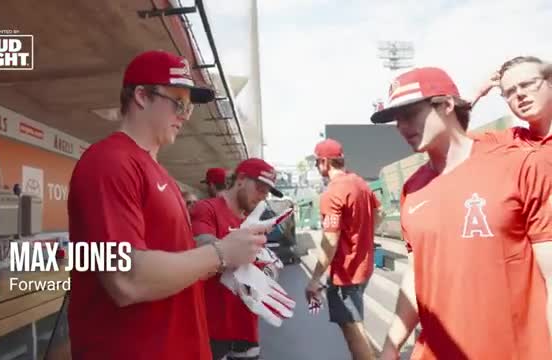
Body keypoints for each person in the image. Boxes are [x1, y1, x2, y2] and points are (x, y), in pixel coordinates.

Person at [66, 50, 270, 360]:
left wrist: (233, 261)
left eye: (189, 106)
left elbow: (177, 262)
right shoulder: (110, 161)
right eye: (178, 103)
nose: (186, 115)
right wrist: (221, 253)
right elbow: (126, 279)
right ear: (141, 96)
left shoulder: (158, 173)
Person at [370, 67, 552, 359]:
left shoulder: (517, 163)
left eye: (409, 114)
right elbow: (417, 274)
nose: (401, 127)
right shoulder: (412, 189)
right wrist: (392, 345)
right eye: (396, 120)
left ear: (446, 105)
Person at [190, 158, 283, 360]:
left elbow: (261, 265)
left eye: (267, 192)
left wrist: (268, 270)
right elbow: (202, 250)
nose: (263, 196)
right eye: (260, 188)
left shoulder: (252, 221)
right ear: (240, 179)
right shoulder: (206, 209)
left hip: (246, 328)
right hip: (213, 329)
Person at [304, 138, 384, 360]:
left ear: (324, 162)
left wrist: (314, 279)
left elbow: (330, 240)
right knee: (356, 324)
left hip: (345, 274)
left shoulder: (332, 193)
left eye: (317, 163)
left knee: (352, 332)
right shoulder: (360, 183)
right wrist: (362, 237)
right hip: (363, 268)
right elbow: (379, 213)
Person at [471, 56, 552, 146]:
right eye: (510, 92)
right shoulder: (507, 141)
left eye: (527, 84)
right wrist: (476, 93)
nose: (519, 94)